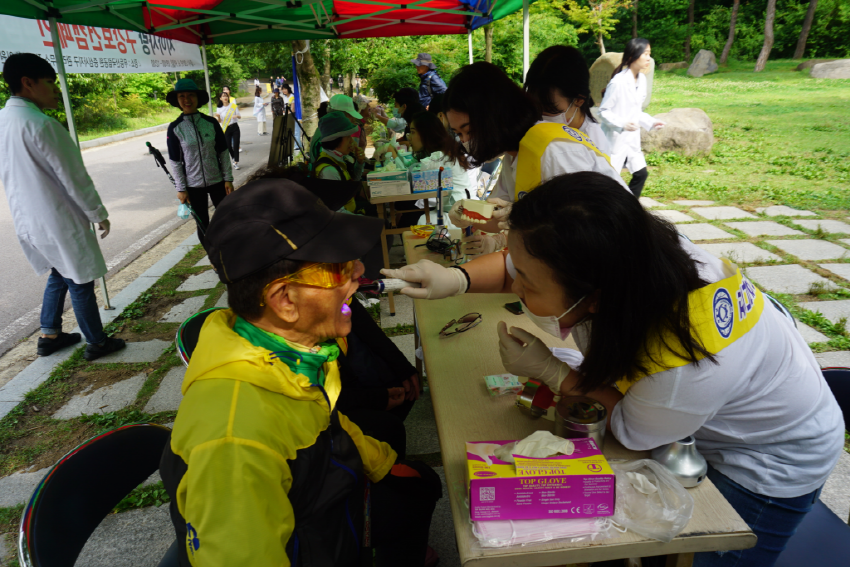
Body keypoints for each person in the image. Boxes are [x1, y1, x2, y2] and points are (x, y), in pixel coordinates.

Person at [383, 171, 845, 567]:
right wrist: (457, 278)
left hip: (769, 463)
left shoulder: (683, 361)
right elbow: (519, 264)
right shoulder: (635, 258)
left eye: (529, 284)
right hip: (697, 420)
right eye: (518, 274)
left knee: (697, 542)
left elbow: (628, 431)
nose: (515, 286)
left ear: (595, 296)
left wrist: (554, 372)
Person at [160, 178, 442, 567]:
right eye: (338, 268)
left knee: (420, 484)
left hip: (322, 508)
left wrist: (383, 465)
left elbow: (326, 420)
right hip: (310, 539)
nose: (358, 273)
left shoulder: (290, 352)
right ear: (285, 301)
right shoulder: (234, 441)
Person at [0, 53, 126, 361]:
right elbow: (74, 178)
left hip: (28, 220)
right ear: (28, 83)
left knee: (60, 271)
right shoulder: (42, 125)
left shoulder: (4, 120)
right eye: (50, 82)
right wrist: (98, 214)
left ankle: (50, 334)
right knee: (81, 278)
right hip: (57, 218)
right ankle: (97, 342)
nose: (56, 90)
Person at [441, 62, 627, 256]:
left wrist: (525, 217)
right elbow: (496, 216)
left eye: (469, 131)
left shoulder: (553, 151)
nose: (465, 141)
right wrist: (466, 212)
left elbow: (587, 225)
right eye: (459, 134)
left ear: (495, 115)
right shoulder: (513, 157)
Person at [338, 297, 420, 458]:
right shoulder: (297, 347)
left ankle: (378, 450)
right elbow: (320, 398)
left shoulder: (336, 293)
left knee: (405, 388)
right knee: (388, 427)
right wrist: (375, 399)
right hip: (321, 408)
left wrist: (401, 366)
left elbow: (360, 318)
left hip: (344, 370)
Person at [166, 79, 234, 245]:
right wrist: (181, 188)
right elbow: (175, 161)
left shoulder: (211, 123)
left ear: (197, 98)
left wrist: (228, 178)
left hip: (217, 181)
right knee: (203, 224)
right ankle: (212, 254)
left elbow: (223, 152)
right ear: (177, 100)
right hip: (193, 186)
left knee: (226, 218)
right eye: (182, 96)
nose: (187, 99)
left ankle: (228, 250)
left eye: (191, 95)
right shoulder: (175, 128)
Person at [599, 38, 665, 198]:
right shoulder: (618, 82)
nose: (649, 58)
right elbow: (604, 111)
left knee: (641, 174)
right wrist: (622, 124)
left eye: (649, 54)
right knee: (609, 182)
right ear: (632, 56)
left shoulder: (641, 80)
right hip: (615, 139)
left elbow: (635, 111)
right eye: (645, 54)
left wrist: (651, 122)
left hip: (631, 140)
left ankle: (629, 206)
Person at [381, 112, 470, 227]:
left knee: (408, 218)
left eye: (413, 132)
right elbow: (410, 167)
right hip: (450, 207)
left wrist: (393, 154)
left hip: (458, 213)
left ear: (426, 134)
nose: (409, 137)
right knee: (405, 210)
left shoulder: (439, 157)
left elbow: (409, 178)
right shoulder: (436, 152)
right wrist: (395, 154)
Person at [525, 45, 610, 155]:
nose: (540, 116)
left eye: (549, 108)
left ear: (579, 100)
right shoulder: (526, 130)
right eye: (535, 105)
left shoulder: (595, 147)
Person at [310, 94, 366, 179]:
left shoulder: (338, 152)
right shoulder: (326, 140)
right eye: (350, 116)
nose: (353, 120)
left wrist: (359, 161)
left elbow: (350, 177)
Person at [215, 90, 241, 170]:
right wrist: (218, 117)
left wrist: (236, 116)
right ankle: (233, 158)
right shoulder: (219, 108)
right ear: (220, 98)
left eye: (226, 96)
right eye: (223, 96)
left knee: (236, 145)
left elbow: (239, 116)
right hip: (226, 128)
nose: (225, 97)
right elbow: (220, 121)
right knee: (228, 146)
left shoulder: (233, 106)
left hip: (235, 127)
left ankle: (236, 162)